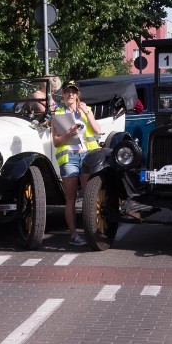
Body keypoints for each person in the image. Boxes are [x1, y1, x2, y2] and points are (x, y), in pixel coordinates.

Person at [52, 80, 102, 246]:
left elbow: (98, 130)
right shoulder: (58, 114)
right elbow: (56, 142)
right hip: (69, 158)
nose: (70, 95)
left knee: (89, 196)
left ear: (77, 94)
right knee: (71, 198)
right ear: (63, 95)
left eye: (73, 92)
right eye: (67, 92)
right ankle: (74, 234)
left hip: (87, 157)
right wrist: (68, 134)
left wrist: (87, 114)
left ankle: (92, 231)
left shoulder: (86, 110)